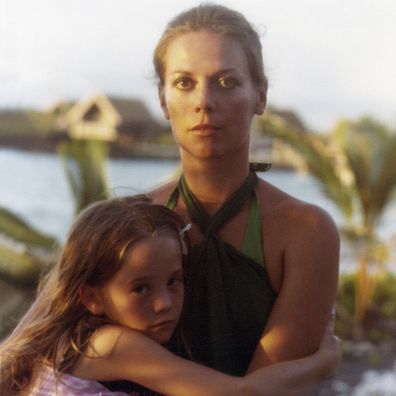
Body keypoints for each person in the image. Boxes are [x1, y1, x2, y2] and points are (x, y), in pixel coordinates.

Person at [148, 2, 340, 376]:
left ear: (261, 96)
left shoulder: (305, 231)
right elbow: (30, 346)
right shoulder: (128, 222)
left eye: (227, 82)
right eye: (184, 83)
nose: (204, 102)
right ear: (163, 100)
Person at [0, 196, 340, 396]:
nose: (164, 303)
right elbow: (239, 394)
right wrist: (319, 365)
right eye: (141, 288)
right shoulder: (112, 345)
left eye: (174, 281)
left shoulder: (69, 343)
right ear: (91, 297)